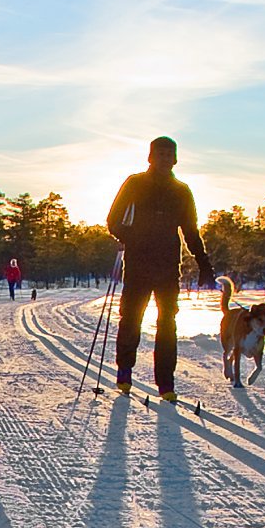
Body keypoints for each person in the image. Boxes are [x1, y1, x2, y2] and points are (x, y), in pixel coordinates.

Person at [106, 136, 214, 402]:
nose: (165, 159)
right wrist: (130, 238)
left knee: (168, 323)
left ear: (175, 159)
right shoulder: (135, 183)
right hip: (138, 263)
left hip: (167, 266)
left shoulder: (182, 191)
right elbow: (113, 220)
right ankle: (125, 371)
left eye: (169, 155)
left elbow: (190, 230)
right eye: (160, 154)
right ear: (151, 157)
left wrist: (203, 263)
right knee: (131, 318)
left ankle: (166, 383)